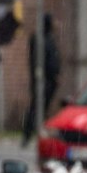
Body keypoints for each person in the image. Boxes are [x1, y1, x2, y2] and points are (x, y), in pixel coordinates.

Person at [23, 13, 62, 145]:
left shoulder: (44, 38)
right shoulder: (42, 39)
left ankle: (33, 132)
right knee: (37, 107)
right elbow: (46, 61)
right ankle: (30, 132)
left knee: (40, 107)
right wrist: (52, 75)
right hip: (44, 80)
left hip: (45, 80)